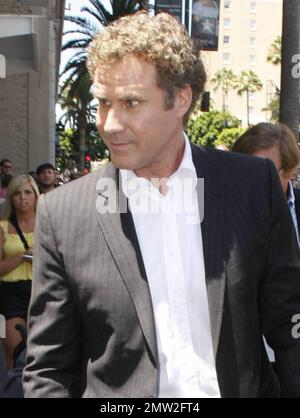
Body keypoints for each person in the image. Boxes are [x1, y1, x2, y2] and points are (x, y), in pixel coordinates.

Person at [23, 12, 300, 398]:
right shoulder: (64, 214)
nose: (110, 123)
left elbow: (289, 323)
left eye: (131, 103)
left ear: (181, 99)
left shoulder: (251, 185)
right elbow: (49, 369)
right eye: (103, 103)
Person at [232, 122, 300, 249]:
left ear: (289, 171)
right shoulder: (225, 211)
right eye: (245, 172)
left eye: (264, 173)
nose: (252, 182)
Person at [0, 175, 39, 370]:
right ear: (11, 198)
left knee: (39, 355)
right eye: (16, 193)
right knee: (13, 353)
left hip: (42, 291)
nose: (22, 197)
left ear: (35, 196)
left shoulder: (47, 224)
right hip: (9, 296)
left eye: (27, 192)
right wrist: (23, 256)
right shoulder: (2, 227)